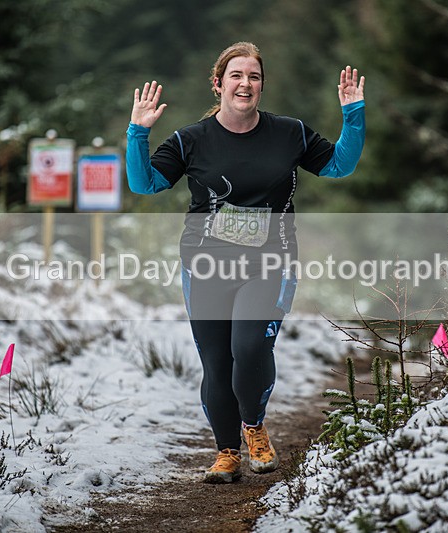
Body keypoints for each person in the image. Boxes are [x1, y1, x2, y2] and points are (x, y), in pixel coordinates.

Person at [125, 42, 365, 484]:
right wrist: (138, 133)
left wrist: (353, 114)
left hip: (270, 263)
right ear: (218, 84)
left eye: (254, 76)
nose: (245, 83)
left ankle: (253, 425)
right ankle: (226, 452)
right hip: (206, 266)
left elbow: (339, 167)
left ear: (262, 85)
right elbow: (145, 184)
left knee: (250, 348)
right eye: (236, 75)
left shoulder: (289, 133)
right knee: (217, 363)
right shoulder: (190, 139)